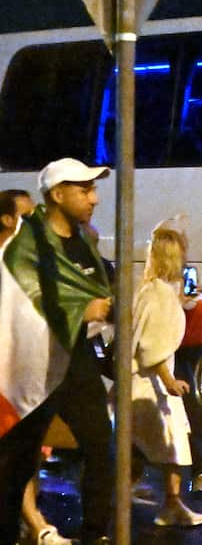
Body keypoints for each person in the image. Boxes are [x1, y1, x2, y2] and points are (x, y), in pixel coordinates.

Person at [0, 159, 115, 545]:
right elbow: (21, 305)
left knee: (102, 448)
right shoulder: (25, 248)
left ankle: (96, 533)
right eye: (85, 190)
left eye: (93, 189)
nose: (94, 199)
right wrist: (81, 311)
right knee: (17, 459)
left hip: (77, 362)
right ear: (57, 194)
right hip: (34, 367)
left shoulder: (85, 242)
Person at [130, 225, 202, 527]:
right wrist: (169, 380)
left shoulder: (151, 290)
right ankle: (171, 506)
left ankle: (143, 498)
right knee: (172, 444)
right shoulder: (158, 294)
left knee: (142, 445)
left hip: (142, 382)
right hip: (152, 384)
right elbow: (153, 345)